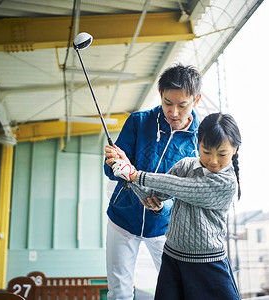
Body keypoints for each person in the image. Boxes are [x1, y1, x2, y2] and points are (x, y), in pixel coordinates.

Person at [109, 112, 242, 300]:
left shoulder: (227, 183)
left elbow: (184, 188)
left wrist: (135, 175)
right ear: (198, 143)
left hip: (207, 264)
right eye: (206, 151)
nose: (213, 160)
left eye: (222, 154)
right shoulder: (186, 166)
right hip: (172, 259)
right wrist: (126, 171)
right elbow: (153, 195)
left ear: (235, 149)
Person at [103, 63, 202, 300]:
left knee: (177, 291)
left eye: (182, 105)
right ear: (160, 95)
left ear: (196, 101)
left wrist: (163, 206)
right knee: (119, 290)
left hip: (166, 229)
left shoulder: (200, 143)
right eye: (168, 103)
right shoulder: (139, 121)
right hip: (123, 219)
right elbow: (110, 172)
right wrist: (115, 164)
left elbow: (191, 193)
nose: (174, 112)